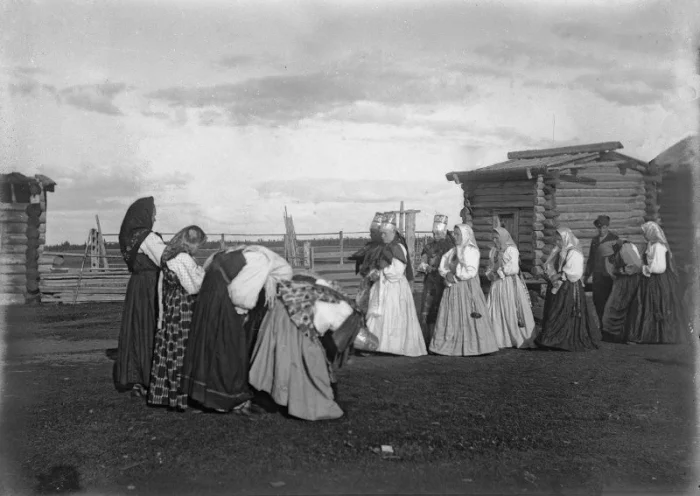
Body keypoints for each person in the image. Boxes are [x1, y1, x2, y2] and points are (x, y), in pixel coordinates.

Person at [181, 245, 293, 414]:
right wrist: (241, 315)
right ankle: (225, 398)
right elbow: (241, 294)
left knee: (208, 344)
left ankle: (203, 396)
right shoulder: (261, 261)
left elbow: (210, 264)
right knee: (229, 349)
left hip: (209, 295)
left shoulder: (244, 252)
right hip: (222, 299)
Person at [249, 273, 374, 421]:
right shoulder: (343, 312)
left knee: (278, 358)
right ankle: (301, 403)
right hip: (293, 318)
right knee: (305, 363)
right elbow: (322, 328)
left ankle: (272, 398)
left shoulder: (340, 299)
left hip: (282, 309)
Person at [147, 226, 207, 411]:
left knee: (171, 347)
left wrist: (161, 316)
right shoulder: (183, 258)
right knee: (184, 350)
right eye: (198, 245)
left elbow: (161, 288)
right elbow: (193, 287)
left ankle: (170, 395)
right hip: (185, 308)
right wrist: (203, 273)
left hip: (171, 307)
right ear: (190, 243)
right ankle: (184, 397)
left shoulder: (167, 257)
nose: (198, 249)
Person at [113, 197, 166, 397]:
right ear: (144, 215)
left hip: (136, 285)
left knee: (137, 328)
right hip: (150, 285)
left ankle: (137, 377)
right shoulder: (147, 238)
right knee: (149, 327)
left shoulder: (128, 237)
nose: (154, 218)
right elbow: (165, 259)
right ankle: (149, 378)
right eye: (153, 213)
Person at [430, 224, 499, 356]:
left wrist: (455, 277)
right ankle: (450, 345)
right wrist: (446, 274)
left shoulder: (471, 250)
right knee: (452, 315)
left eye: (458, 234)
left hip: (467, 287)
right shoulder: (452, 251)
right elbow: (443, 265)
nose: (455, 236)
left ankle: (474, 346)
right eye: (454, 234)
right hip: (452, 287)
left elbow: (471, 271)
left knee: (468, 314)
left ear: (465, 235)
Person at [365, 213, 427, 356]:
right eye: (381, 233)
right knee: (379, 315)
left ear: (393, 232)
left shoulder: (398, 248)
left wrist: (382, 269)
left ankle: (392, 346)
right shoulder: (384, 247)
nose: (382, 236)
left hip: (394, 287)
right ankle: (377, 344)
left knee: (393, 315)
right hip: (382, 284)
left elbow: (397, 272)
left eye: (385, 233)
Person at [536, 227, 600, 351]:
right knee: (555, 310)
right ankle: (551, 339)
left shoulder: (574, 252)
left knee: (565, 311)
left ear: (566, 239)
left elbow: (574, 271)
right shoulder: (558, 250)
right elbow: (550, 264)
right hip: (558, 285)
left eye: (560, 240)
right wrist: (550, 274)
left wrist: (559, 275)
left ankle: (564, 339)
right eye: (556, 240)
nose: (557, 242)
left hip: (569, 286)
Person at [627, 221, 690, 344]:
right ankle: (650, 335)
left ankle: (661, 336)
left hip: (658, 280)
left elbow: (659, 267)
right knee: (645, 306)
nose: (644, 235)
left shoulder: (658, 247)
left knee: (658, 305)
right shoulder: (650, 244)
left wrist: (643, 268)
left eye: (645, 232)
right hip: (650, 279)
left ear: (651, 232)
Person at [486, 227, 536, 349]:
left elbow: (514, 267)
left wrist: (501, 271)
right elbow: (490, 266)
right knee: (496, 309)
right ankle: (500, 338)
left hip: (509, 283)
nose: (494, 240)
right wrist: (490, 273)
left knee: (511, 308)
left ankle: (516, 337)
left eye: (497, 238)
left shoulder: (511, 250)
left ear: (503, 237)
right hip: (497, 284)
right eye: (493, 238)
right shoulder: (493, 251)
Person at [417, 214, 454, 343]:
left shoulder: (451, 248)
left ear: (444, 232)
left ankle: (442, 340)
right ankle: (428, 339)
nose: (435, 236)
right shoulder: (428, 247)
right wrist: (425, 266)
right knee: (428, 311)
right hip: (430, 282)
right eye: (434, 233)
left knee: (442, 310)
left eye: (438, 233)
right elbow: (422, 262)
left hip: (444, 282)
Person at [600, 238, 642, 343]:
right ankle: (611, 335)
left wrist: (621, 271)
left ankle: (620, 336)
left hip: (630, 280)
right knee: (613, 306)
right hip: (620, 281)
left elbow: (637, 266)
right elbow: (611, 268)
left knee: (623, 306)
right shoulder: (610, 252)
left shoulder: (626, 248)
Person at [584, 215, 619, 327]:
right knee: (598, 301)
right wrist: (586, 276)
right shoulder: (594, 240)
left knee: (610, 302)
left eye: (604, 227)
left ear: (607, 227)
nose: (601, 230)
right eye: (599, 228)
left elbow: (618, 259)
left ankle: (610, 327)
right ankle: (601, 326)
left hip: (610, 277)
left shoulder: (614, 239)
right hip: (598, 277)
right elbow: (591, 260)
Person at [348, 212, 385, 313]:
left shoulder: (385, 248)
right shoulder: (370, 246)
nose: (370, 234)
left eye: (373, 232)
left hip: (377, 281)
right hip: (367, 281)